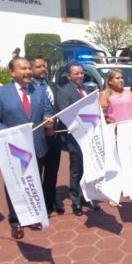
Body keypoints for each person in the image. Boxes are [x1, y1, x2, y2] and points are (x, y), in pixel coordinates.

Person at [0, 57, 54, 239]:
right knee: (15, 185)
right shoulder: (0, 93)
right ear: (12, 72)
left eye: (29, 68)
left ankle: (33, 216)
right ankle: (16, 221)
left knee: (34, 182)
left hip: (36, 146)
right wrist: (12, 135)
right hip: (13, 149)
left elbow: (47, 110)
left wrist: (48, 119)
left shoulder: (39, 90)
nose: (28, 72)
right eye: (23, 69)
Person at [56, 61, 101, 216]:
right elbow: (65, 113)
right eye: (76, 73)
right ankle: (76, 201)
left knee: (88, 167)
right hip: (74, 137)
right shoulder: (63, 91)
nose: (80, 76)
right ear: (68, 76)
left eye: (81, 73)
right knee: (77, 169)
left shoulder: (86, 89)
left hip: (89, 136)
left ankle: (87, 197)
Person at [29, 55, 63, 216]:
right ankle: (38, 205)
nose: (43, 69)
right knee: (37, 172)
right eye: (38, 66)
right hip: (37, 137)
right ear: (31, 69)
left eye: (44, 66)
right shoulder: (29, 88)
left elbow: (58, 108)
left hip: (54, 135)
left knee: (52, 170)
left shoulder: (52, 85)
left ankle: (51, 201)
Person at [99, 69, 132, 206]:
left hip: (130, 133)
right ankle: (113, 193)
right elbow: (102, 113)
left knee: (129, 161)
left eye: (122, 77)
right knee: (114, 164)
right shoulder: (104, 94)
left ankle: (129, 189)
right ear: (110, 81)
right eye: (117, 78)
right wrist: (107, 120)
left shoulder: (128, 92)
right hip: (114, 134)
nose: (121, 80)